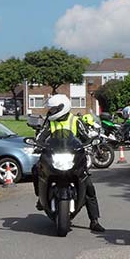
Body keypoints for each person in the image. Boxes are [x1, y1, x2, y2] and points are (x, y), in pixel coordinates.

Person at [33, 94, 105, 232]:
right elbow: (41, 135)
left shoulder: (75, 121)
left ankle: (94, 220)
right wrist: (37, 144)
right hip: (54, 155)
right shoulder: (50, 122)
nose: (51, 111)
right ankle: (40, 199)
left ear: (63, 108)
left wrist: (90, 142)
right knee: (36, 169)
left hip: (73, 156)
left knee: (88, 186)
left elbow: (85, 136)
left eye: (54, 109)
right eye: (51, 109)